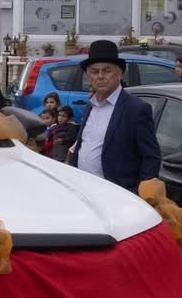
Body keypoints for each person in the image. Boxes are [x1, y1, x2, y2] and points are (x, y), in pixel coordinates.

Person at [68, 39, 160, 192]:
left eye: (107, 70)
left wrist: (140, 195)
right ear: (88, 76)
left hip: (118, 196)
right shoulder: (90, 106)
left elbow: (151, 157)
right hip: (84, 190)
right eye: (94, 71)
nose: (100, 76)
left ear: (120, 73)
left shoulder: (136, 109)